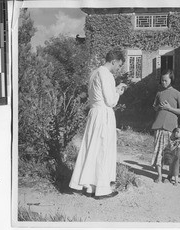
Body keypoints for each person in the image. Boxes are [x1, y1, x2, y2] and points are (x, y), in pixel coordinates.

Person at [69, 48, 126, 200]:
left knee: (92, 148)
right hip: (103, 115)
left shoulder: (94, 73)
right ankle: (102, 189)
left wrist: (113, 90)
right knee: (102, 150)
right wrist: (118, 92)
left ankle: (89, 186)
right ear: (113, 61)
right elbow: (110, 101)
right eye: (118, 65)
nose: (118, 69)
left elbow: (100, 94)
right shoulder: (106, 74)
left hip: (94, 113)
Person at [151, 69, 180, 183]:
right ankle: (159, 175)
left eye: (166, 80)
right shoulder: (159, 93)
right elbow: (154, 107)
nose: (164, 82)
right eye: (162, 80)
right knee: (158, 152)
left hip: (171, 128)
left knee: (170, 153)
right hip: (159, 126)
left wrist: (169, 108)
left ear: (171, 80)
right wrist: (159, 107)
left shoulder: (177, 93)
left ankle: (170, 175)